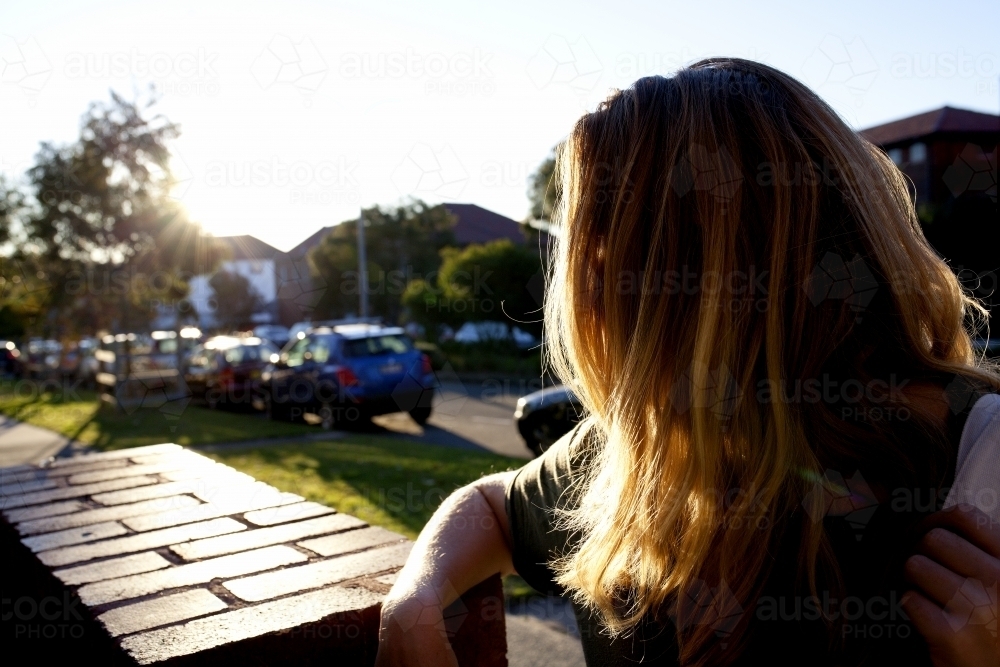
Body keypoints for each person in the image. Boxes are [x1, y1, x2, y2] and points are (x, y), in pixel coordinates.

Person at [375, 59, 1000, 666]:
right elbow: (492, 507)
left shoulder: (975, 464)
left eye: (596, 249)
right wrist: (417, 595)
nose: (580, 286)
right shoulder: (647, 444)